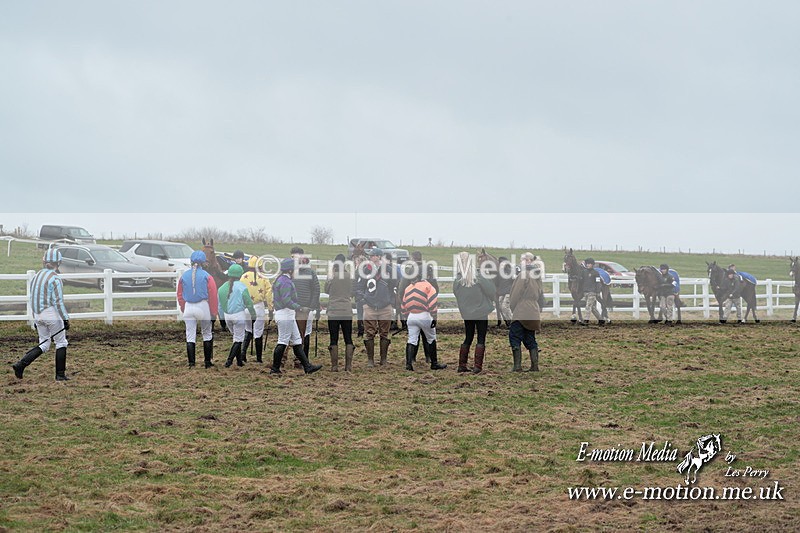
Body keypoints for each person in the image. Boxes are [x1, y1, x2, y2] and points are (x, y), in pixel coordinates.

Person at [12, 249, 71, 381]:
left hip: (38, 314)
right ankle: (60, 375)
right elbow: (58, 302)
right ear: (58, 263)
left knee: (44, 344)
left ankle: (21, 365)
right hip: (51, 314)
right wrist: (65, 318)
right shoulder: (55, 278)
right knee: (61, 342)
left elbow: (33, 298)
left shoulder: (37, 276)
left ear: (44, 261)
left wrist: (35, 317)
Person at [270, 258, 323, 375]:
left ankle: (307, 367)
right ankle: (275, 368)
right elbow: (286, 300)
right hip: (285, 314)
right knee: (283, 341)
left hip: (288, 314)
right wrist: (300, 308)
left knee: (297, 340)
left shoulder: (283, 279)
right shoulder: (285, 282)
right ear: (290, 270)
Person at [453, 252, 496, 373]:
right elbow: (491, 291)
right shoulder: (479, 277)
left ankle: (462, 364)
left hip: (467, 313)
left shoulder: (457, 280)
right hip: (481, 312)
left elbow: (456, 293)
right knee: (481, 338)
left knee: (468, 337)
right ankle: (477, 366)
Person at [177, 250, 219, 368]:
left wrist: (183, 308)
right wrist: (213, 312)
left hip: (189, 306)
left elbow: (180, 295)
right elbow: (213, 295)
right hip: (203, 306)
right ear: (203, 262)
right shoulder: (207, 276)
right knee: (207, 334)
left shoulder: (184, 276)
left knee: (190, 335)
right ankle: (207, 362)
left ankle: (191, 363)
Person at [355, 248, 396, 366]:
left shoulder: (388, 270)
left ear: (378, 257)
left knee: (384, 333)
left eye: (372, 255)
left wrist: (390, 300)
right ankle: (370, 360)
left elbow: (394, 285)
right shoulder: (365, 270)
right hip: (370, 305)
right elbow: (359, 287)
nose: (370, 257)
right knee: (369, 333)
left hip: (385, 305)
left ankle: (383, 359)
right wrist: (363, 301)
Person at [397, 251, 439, 363]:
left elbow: (402, 289)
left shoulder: (410, 270)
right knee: (428, 334)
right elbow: (435, 287)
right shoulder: (428, 269)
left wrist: (404, 306)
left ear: (412, 258)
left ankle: (412, 359)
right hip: (427, 306)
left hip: (412, 307)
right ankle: (429, 357)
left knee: (413, 335)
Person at [401, 270, 446, 372]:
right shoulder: (428, 286)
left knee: (412, 340)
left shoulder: (408, 288)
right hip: (425, 315)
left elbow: (404, 305)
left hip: (411, 316)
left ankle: (409, 364)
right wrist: (434, 317)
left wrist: (405, 317)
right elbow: (432, 302)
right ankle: (434, 363)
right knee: (431, 338)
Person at [508, 253, 545, 372]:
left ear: (528, 261)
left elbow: (515, 294)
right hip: (533, 309)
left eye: (523, 260)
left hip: (522, 308)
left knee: (514, 336)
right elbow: (541, 296)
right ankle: (534, 366)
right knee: (530, 337)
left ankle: (517, 366)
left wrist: (513, 307)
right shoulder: (537, 276)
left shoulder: (523, 275)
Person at [217, 264, 256, 368]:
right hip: (238, 315)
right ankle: (229, 361)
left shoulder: (221, 288)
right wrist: (253, 315)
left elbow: (219, 306)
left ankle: (239, 362)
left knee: (236, 338)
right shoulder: (242, 287)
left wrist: (222, 320)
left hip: (227, 316)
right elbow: (249, 303)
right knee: (238, 340)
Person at [239, 256, 273, 363]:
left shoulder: (243, 276)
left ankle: (243, 354)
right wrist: (271, 309)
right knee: (258, 332)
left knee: (248, 330)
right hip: (258, 307)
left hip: (246, 308)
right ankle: (258, 358)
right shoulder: (264, 277)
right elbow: (269, 294)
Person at [291, 246, 321, 365]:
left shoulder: (310, 273)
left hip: (304, 308)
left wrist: (311, 306)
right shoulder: (290, 272)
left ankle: (302, 359)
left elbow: (316, 289)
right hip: (292, 307)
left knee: (303, 334)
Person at [325, 254, 354, 372]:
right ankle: (348, 366)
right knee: (348, 338)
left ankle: (334, 366)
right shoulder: (349, 276)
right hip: (346, 310)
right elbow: (352, 291)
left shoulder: (332, 276)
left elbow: (326, 290)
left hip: (334, 311)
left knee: (334, 338)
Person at [580, 258, 603, 325]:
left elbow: (598, 283)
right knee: (593, 308)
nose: (588, 265)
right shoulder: (584, 272)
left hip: (592, 292)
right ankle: (601, 320)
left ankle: (586, 320)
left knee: (588, 306)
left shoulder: (596, 273)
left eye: (589, 264)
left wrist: (598, 292)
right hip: (585, 292)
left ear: (592, 264)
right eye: (587, 264)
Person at [496, 257, 514, 326]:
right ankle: (508, 322)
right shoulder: (499, 272)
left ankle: (512, 322)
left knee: (505, 307)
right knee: (500, 307)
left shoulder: (510, 271)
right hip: (502, 292)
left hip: (508, 292)